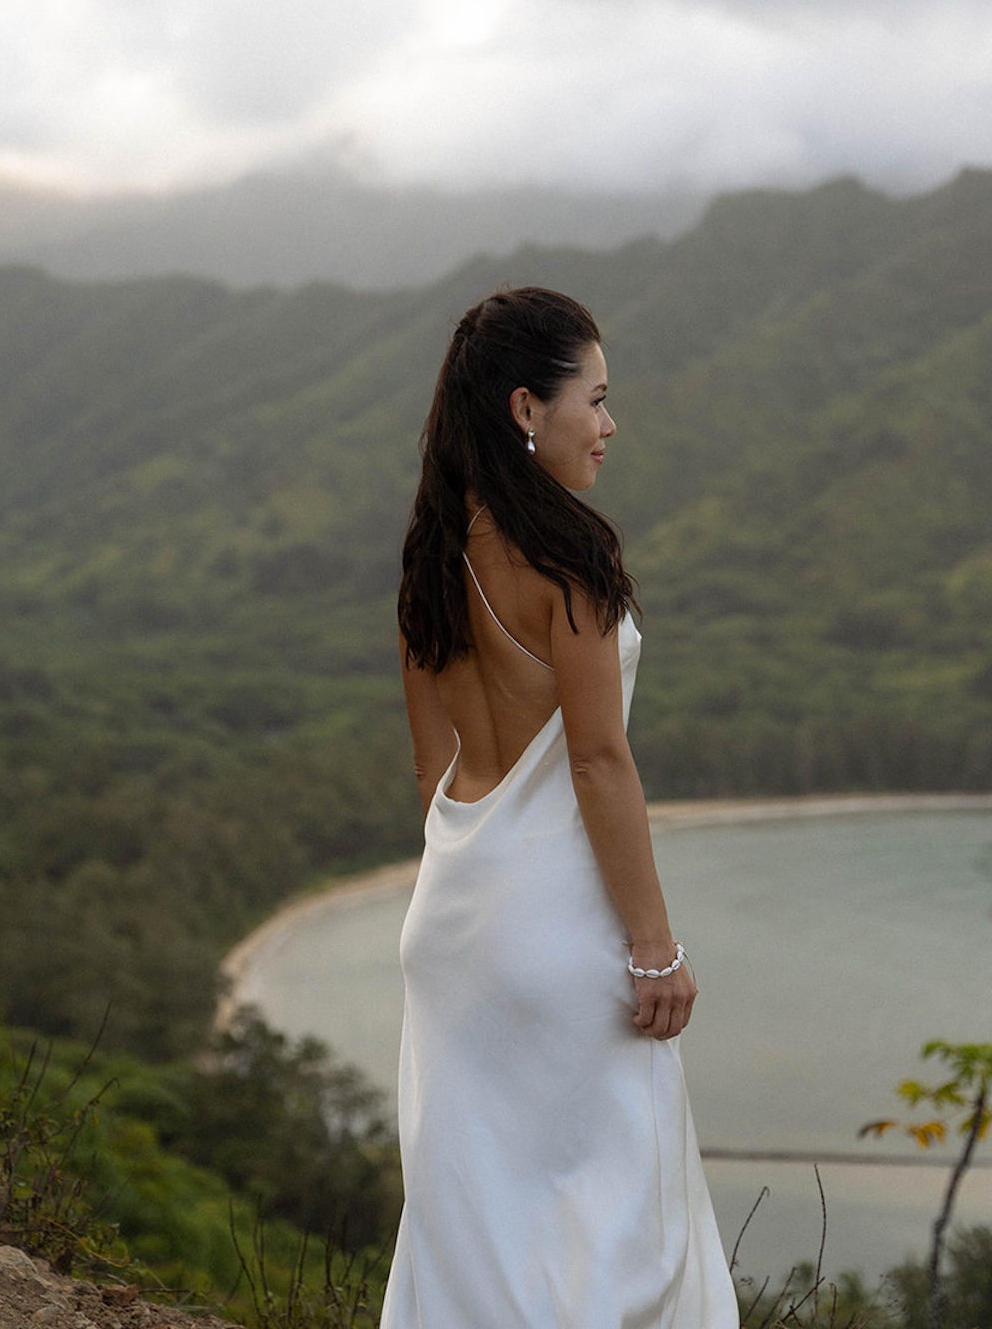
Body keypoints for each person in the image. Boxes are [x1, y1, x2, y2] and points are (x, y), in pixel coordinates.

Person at [379, 286, 738, 1329]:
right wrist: (654, 947)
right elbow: (597, 764)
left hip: (452, 926)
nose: (611, 425)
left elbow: (427, 766)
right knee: (618, 1223)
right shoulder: (570, 560)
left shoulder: (428, 561)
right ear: (528, 408)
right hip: (559, 933)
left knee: (474, 1222)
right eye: (597, 398)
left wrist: (478, 895)